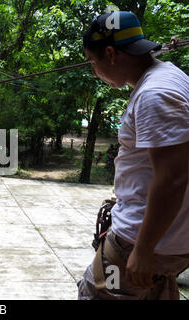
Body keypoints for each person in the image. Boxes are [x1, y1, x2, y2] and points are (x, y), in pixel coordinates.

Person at [77, 11, 189, 299]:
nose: (93, 71)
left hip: (137, 241)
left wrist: (143, 249)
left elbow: (173, 178)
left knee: (96, 292)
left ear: (111, 53)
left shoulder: (155, 95)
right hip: (168, 240)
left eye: (93, 62)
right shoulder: (170, 76)